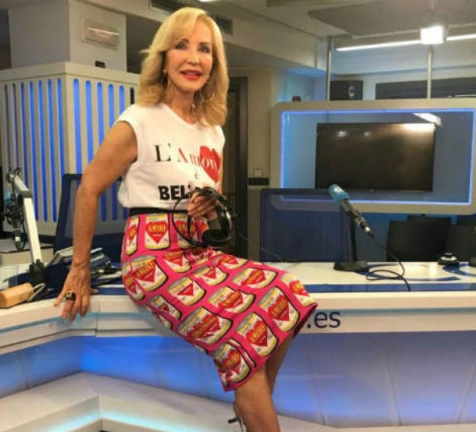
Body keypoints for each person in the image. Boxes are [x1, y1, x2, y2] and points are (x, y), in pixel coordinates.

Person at [54, 7, 318, 432]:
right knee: (243, 335)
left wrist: (210, 207)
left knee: (290, 293)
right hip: (152, 260)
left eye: (204, 49)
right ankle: (253, 407)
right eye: (182, 46)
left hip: (198, 252)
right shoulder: (139, 119)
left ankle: (251, 407)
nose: (194, 58)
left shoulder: (213, 132)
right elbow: (88, 189)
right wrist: (79, 268)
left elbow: (210, 213)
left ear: (215, 64)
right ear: (163, 58)